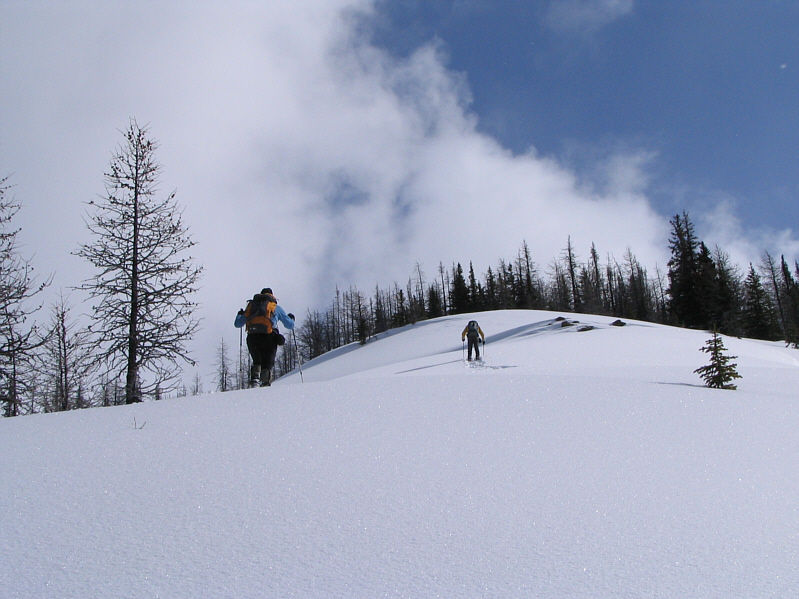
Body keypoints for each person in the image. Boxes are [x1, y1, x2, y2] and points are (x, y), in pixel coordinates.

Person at [235, 288, 295, 387]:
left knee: (257, 360)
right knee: (267, 362)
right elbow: (290, 325)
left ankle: (255, 378)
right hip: (269, 337)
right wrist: (291, 318)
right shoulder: (275, 307)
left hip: (253, 337)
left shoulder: (251, 306)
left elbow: (238, 324)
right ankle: (265, 382)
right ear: (272, 296)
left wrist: (239, 315)